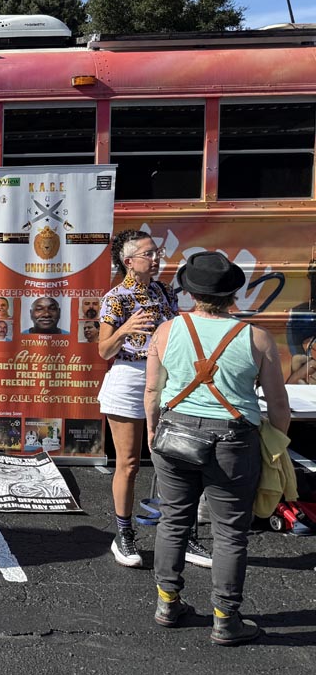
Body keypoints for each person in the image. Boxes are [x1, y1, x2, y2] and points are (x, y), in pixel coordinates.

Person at [144, 250, 290, 645]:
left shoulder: (166, 331)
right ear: (233, 294)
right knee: (230, 533)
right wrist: (276, 441)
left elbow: (153, 391)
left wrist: (152, 431)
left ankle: (167, 604)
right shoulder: (257, 338)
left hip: (174, 435)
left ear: (191, 293)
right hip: (233, 441)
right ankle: (225, 619)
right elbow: (278, 406)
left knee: (173, 521)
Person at [97, 230, 208, 569]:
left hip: (165, 378)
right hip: (129, 379)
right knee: (129, 463)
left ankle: (184, 535)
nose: (157, 258)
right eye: (149, 254)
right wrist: (125, 328)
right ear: (129, 261)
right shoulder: (115, 298)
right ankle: (124, 534)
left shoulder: (164, 291)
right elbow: (104, 351)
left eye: (156, 252)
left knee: (178, 460)